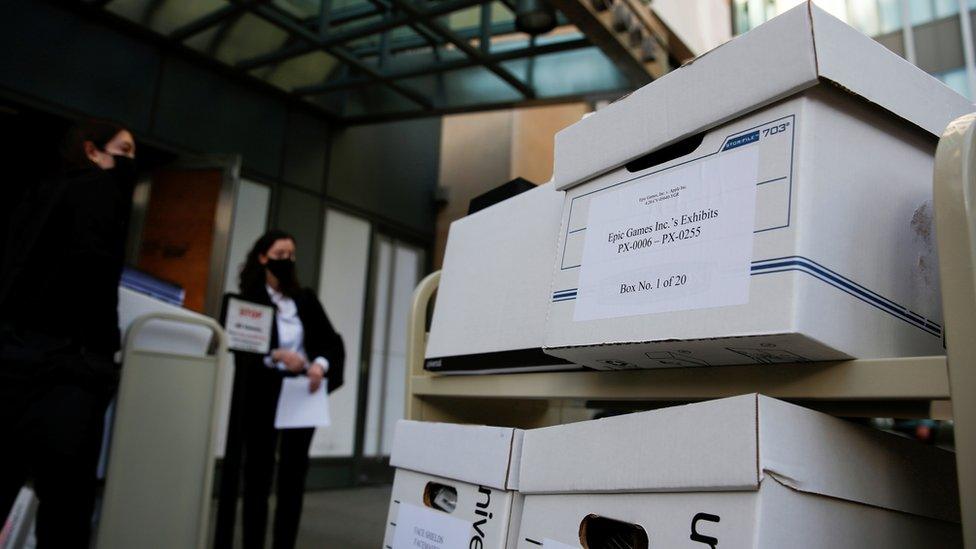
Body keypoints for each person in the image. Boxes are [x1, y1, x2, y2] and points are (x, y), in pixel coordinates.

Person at [0, 118, 138, 548]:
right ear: (92, 151)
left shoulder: (36, 194)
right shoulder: (101, 192)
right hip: (66, 373)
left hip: (11, 363)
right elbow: (92, 276)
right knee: (65, 513)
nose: (132, 161)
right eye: (125, 149)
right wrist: (102, 360)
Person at [215, 230, 345, 549]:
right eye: (280, 254)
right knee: (257, 477)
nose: (287, 260)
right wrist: (275, 355)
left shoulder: (305, 299)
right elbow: (237, 345)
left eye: (291, 255)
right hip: (262, 396)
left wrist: (320, 365)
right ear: (263, 257)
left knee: (293, 477)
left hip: (301, 396)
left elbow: (331, 343)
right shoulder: (249, 301)